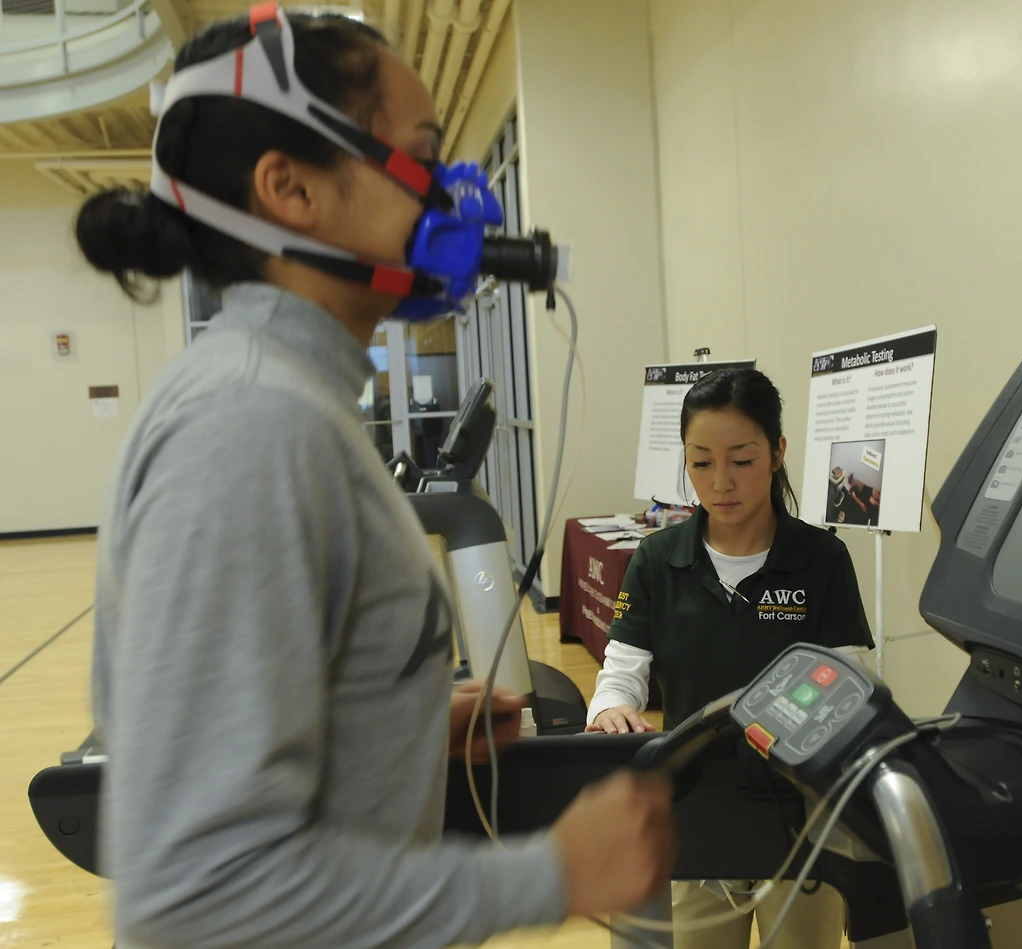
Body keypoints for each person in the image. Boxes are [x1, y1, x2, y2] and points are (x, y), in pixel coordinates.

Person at [76, 11, 674, 949]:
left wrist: (388, 729)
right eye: (426, 155)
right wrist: (546, 875)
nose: (454, 192)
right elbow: (197, 901)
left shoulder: (292, 402)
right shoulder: (249, 429)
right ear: (290, 188)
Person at [585, 367, 874, 949]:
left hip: (802, 812)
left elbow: (852, 687)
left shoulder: (821, 559)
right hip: (697, 809)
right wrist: (612, 708)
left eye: (741, 460)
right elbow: (621, 674)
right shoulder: (658, 560)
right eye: (701, 462)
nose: (721, 483)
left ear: (777, 453)